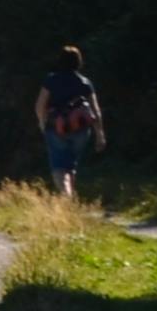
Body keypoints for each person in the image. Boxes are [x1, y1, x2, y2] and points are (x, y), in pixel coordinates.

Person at [35, 44, 107, 203]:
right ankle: (70, 197)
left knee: (59, 167)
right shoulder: (85, 82)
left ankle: (66, 196)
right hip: (81, 129)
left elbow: (40, 105)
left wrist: (42, 122)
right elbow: (95, 110)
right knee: (71, 165)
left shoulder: (51, 80)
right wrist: (100, 134)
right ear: (79, 62)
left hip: (56, 129)